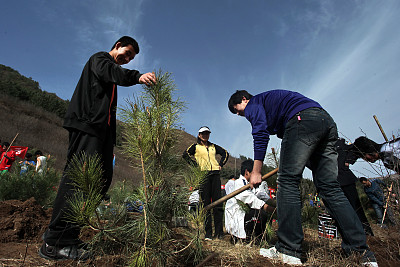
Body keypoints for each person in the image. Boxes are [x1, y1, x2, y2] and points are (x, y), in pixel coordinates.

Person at [39, 36, 156, 261]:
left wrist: (109, 142)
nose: (127, 58)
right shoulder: (100, 60)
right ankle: (55, 242)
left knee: (100, 180)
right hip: (87, 126)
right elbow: (110, 72)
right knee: (78, 179)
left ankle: (69, 235)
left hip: (100, 134)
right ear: (116, 46)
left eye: (131, 57)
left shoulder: (111, 77)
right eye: (126, 52)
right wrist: (137, 76)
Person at [228, 89, 377, 266]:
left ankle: (288, 249)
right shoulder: (273, 102)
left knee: (288, 182)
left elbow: (260, 133)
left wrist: (256, 170)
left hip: (301, 120)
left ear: (244, 99)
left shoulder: (255, 103)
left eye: (237, 109)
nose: (239, 114)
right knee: (329, 187)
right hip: (325, 122)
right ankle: (360, 252)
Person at [182, 126, 229, 240]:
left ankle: (219, 233)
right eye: (203, 133)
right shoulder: (195, 147)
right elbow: (185, 155)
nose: (205, 135)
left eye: (207, 133)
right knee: (206, 204)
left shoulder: (213, 146)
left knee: (218, 203)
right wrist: (196, 166)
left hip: (215, 175)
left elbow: (225, 153)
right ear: (199, 135)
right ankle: (208, 233)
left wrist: (221, 164)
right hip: (203, 176)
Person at [225, 159, 274, 243]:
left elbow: (259, 193)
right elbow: (249, 198)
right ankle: (248, 239)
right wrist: (266, 207)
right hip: (237, 218)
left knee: (263, 215)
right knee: (260, 214)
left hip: (246, 215)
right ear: (247, 172)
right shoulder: (238, 184)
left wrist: (272, 202)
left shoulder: (249, 184)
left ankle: (258, 239)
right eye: (254, 173)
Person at [336, 138, 373, 236]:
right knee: (339, 212)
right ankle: (351, 237)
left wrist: (348, 161)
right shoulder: (319, 144)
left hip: (346, 180)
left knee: (356, 209)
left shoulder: (339, 143)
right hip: (330, 183)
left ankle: (367, 234)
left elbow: (355, 148)